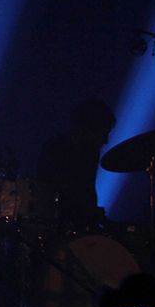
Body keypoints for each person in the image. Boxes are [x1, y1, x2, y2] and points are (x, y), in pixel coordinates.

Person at [36, 97, 117, 231]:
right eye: (103, 133)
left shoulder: (91, 153)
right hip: (56, 225)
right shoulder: (57, 149)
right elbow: (59, 189)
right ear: (90, 129)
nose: (105, 140)